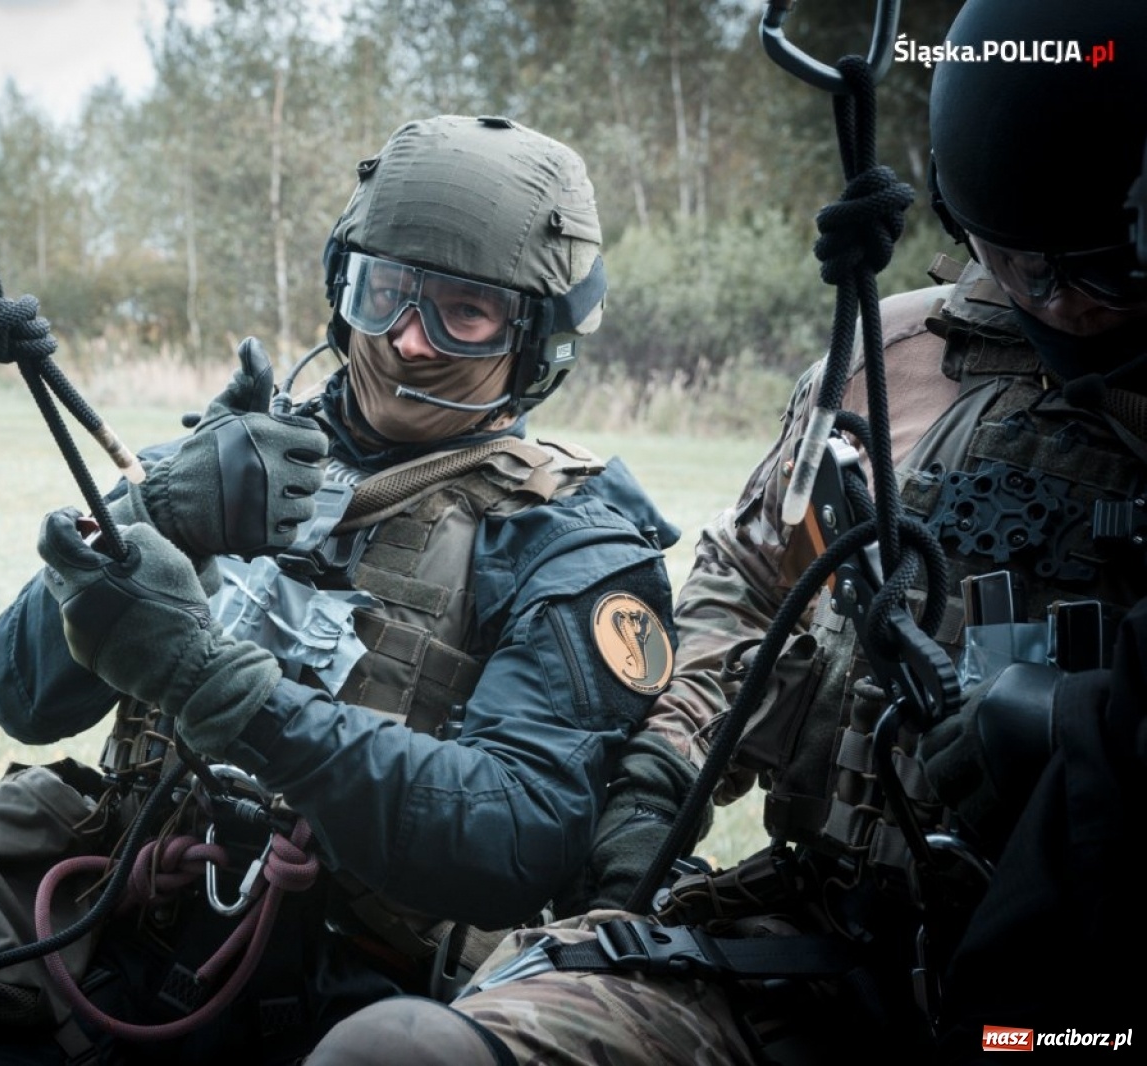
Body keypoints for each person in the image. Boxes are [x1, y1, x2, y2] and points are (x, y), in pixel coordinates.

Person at [306, 1, 1147, 1063]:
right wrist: (662, 769)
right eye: (1017, 264)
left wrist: (1074, 728)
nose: (1052, 305)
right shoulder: (883, 363)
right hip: (817, 948)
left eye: (1090, 276)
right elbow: (750, 583)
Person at [0, 115, 692, 1064]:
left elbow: (517, 837)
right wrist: (159, 511)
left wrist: (230, 696)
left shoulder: (573, 540)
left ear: (536, 336)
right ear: (344, 287)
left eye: (464, 310)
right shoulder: (243, 452)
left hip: (369, 985)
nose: (409, 341)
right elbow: (17, 693)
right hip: (135, 913)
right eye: (385, 291)